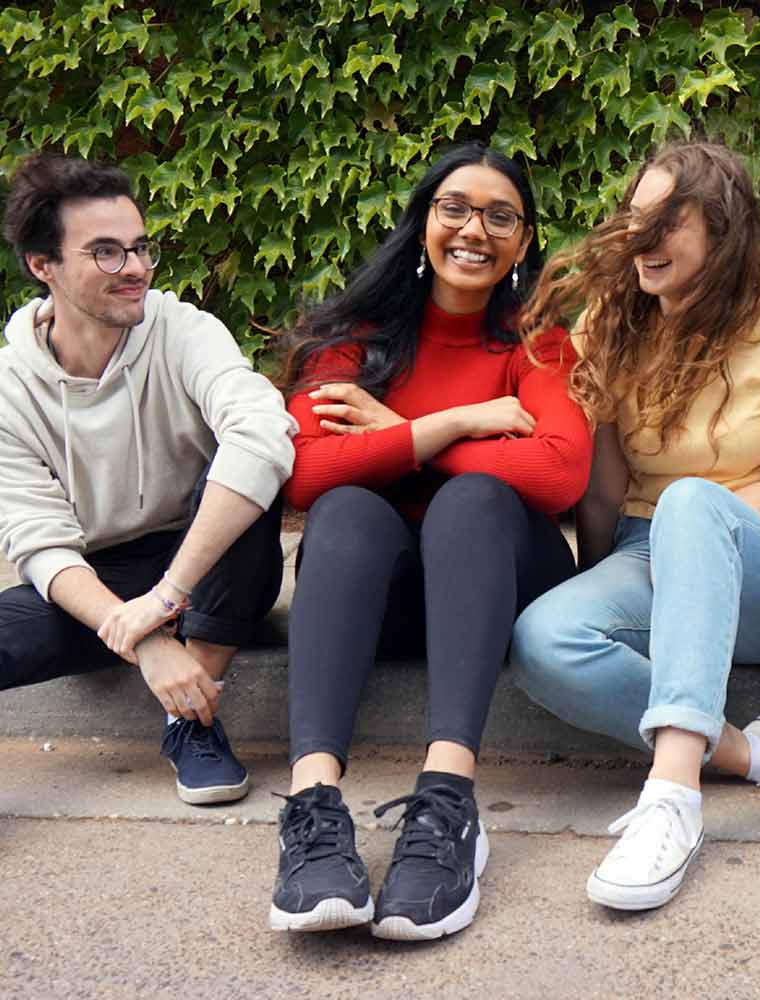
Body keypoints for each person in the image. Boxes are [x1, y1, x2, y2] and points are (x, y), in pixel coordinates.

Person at [509, 142, 760, 911]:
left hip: (757, 563)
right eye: (634, 219)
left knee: (691, 504)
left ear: (722, 232)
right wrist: (602, 586)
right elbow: (602, 494)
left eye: (666, 221)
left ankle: (672, 799)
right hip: (644, 554)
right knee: (542, 641)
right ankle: (748, 751)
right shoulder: (609, 326)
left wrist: (688, 531)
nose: (640, 238)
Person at [267, 144, 592, 939]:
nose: (473, 229)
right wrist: (454, 424)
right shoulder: (352, 337)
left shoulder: (537, 342)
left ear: (522, 244)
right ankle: (313, 811)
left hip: (501, 584)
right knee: (345, 509)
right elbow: (303, 476)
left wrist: (402, 438)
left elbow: (558, 475)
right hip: (384, 599)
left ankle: (447, 808)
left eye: (500, 216)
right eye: (455, 207)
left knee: (474, 499)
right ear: (422, 225)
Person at [0, 153, 294, 805]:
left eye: (138, 248)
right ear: (42, 265)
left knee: (245, 476)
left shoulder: (185, 331)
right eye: (105, 252)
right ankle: (171, 669)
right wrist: (146, 639)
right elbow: (38, 541)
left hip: (211, 560)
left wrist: (166, 599)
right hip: (100, 580)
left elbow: (262, 431)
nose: (134, 269)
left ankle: (190, 721)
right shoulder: (9, 387)